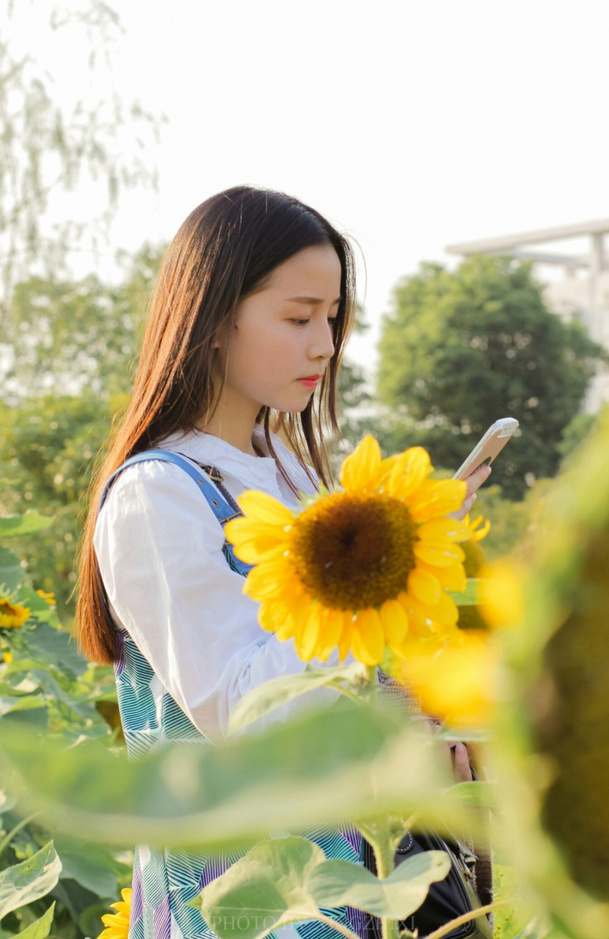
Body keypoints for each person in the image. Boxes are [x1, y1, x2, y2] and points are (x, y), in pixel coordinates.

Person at [77, 185, 488, 939]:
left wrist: (420, 717)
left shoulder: (291, 473)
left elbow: (345, 674)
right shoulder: (158, 494)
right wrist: (369, 573)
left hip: (350, 887)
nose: (325, 345)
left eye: (332, 319)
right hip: (240, 908)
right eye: (299, 318)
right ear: (212, 315)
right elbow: (242, 712)